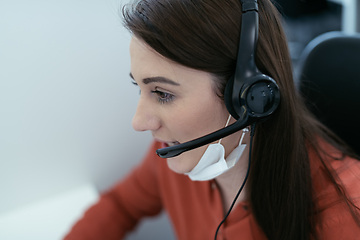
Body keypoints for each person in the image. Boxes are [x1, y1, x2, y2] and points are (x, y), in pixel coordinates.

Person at [63, 0, 360, 239]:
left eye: (162, 93)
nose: (139, 122)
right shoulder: (179, 150)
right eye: (139, 87)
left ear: (248, 97)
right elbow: (121, 205)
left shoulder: (344, 216)